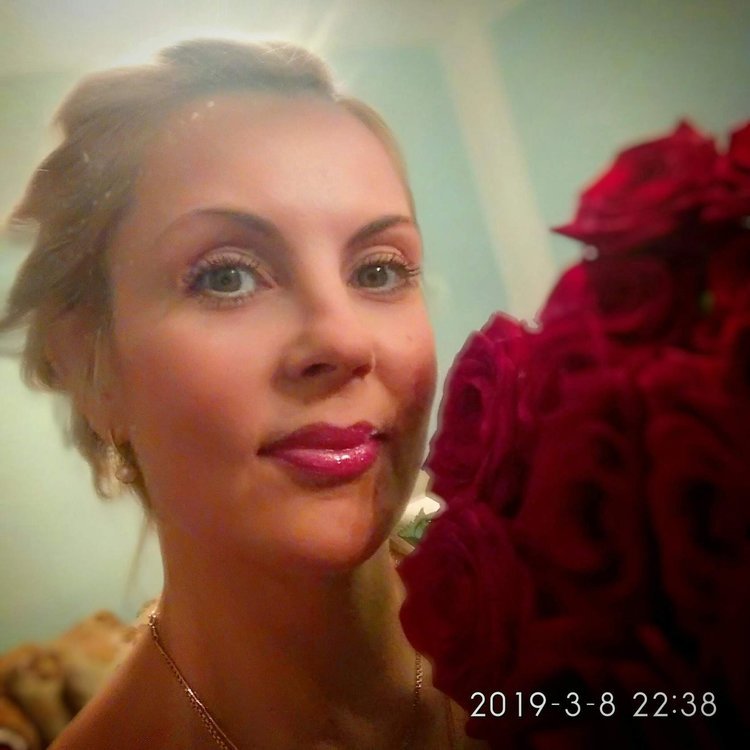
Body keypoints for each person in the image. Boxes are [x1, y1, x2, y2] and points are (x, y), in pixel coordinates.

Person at [1, 39, 489, 749]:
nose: (343, 341)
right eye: (226, 277)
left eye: (379, 271)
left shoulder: (588, 648)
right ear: (89, 368)